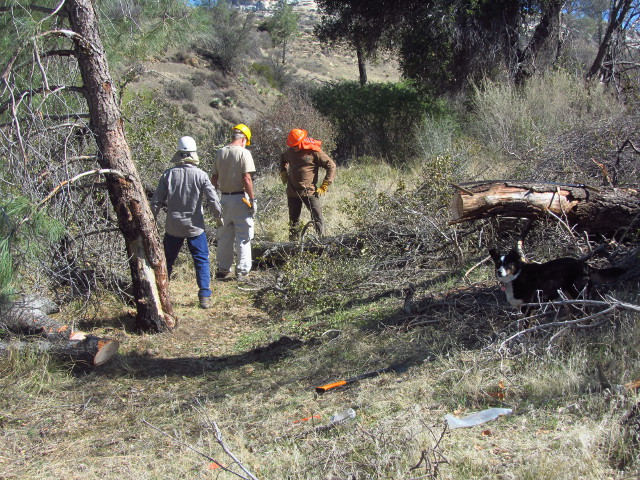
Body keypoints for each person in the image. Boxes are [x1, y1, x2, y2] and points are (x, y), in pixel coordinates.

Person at [151, 136, 222, 309]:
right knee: (201, 260)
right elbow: (213, 200)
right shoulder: (201, 175)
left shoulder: (168, 175)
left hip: (173, 227)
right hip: (195, 227)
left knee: (167, 260)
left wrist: (150, 220)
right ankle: (204, 296)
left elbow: (156, 202)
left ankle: (161, 294)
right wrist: (218, 217)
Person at [211, 124, 256, 282]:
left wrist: (214, 198)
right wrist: (252, 200)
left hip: (223, 199)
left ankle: (223, 269)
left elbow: (214, 179)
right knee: (243, 237)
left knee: (224, 236)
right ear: (243, 139)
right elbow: (246, 178)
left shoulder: (220, 152)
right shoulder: (244, 153)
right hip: (240, 199)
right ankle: (242, 272)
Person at [279, 128, 336, 240]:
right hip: (292, 193)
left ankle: (321, 241)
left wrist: (325, 184)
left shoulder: (313, 151)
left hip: (309, 192)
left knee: (317, 217)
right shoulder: (290, 152)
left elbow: (331, 165)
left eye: (296, 145)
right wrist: (283, 171)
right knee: (293, 220)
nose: (294, 148)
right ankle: (293, 245)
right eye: (292, 145)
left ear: (301, 141)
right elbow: (282, 158)